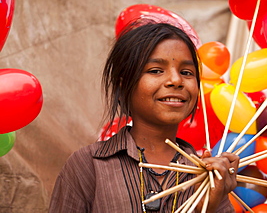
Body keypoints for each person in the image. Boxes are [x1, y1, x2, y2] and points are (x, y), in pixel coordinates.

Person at [49, 20, 240, 212]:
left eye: (186, 72)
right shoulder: (89, 165)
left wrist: (206, 207)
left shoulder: (209, 176)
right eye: (156, 71)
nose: (176, 80)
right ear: (124, 86)